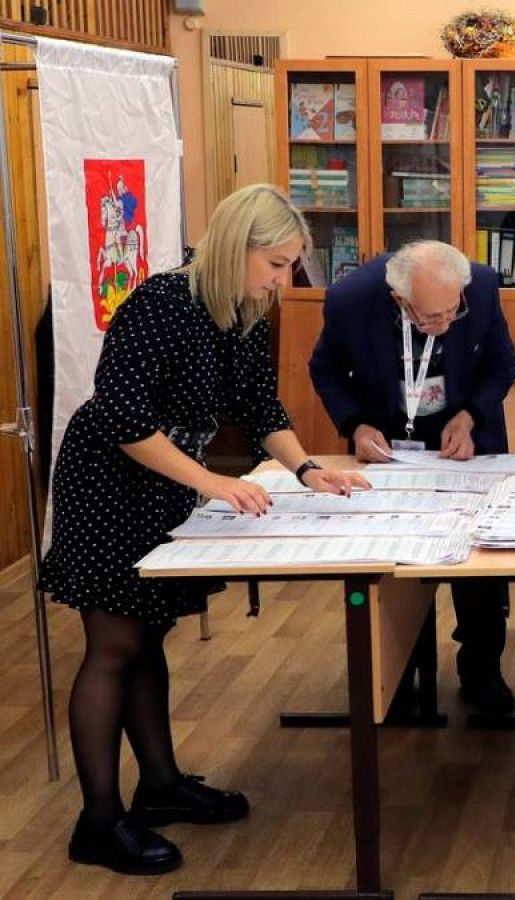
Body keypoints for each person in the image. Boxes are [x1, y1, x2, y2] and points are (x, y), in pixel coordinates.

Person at [39, 184, 368, 875]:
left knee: (146, 633)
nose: (283, 280)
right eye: (276, 264)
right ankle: (98, 821)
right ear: (236, 245)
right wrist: (215, 482)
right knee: (113, 645)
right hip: (108, 481)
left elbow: (258, 405)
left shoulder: (240, 312)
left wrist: (308, 468)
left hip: (166, 481)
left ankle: (158, 786)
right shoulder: (160, 304)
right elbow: (124, 420)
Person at [308, 240, 515, 714]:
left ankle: (483, 669)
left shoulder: (481, 286)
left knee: (479, 560)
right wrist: (355, 424)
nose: (443, 325)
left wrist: (469, 417)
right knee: (396, 564)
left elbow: (502, 364)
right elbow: (324, 369)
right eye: (430, 318)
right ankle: (400, 671)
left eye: (451, 313)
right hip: (386, 444)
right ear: (399, 299)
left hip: (463, 437)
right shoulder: (351, 299)